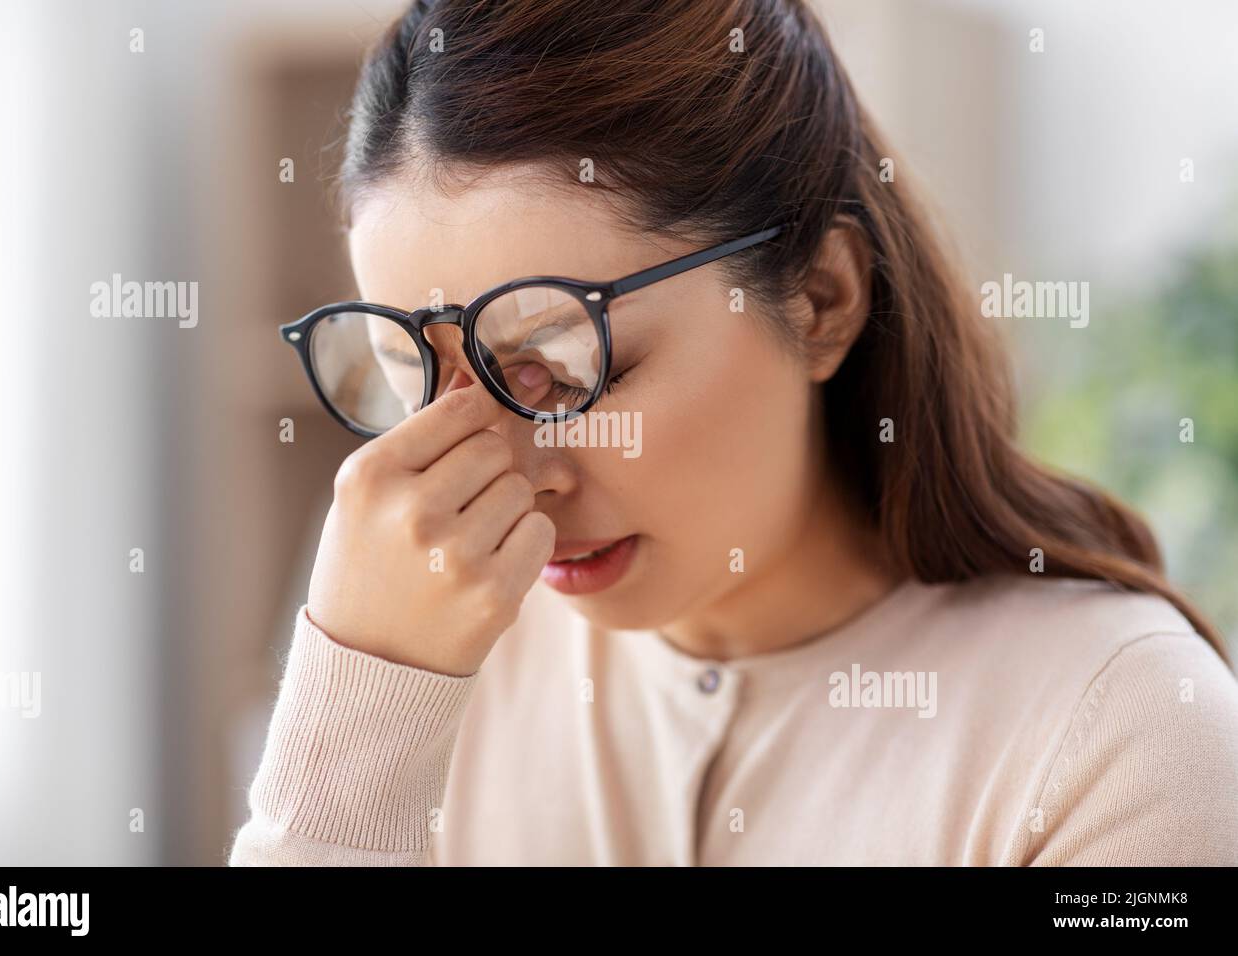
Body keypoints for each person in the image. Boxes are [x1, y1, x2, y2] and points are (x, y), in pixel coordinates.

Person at [229, 0, 1238, 866]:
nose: (505, 473)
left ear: (821, 298)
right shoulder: (427, 647)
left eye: (567, 364)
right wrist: (354, 710)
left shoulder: (1120, 734)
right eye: (416, 374)